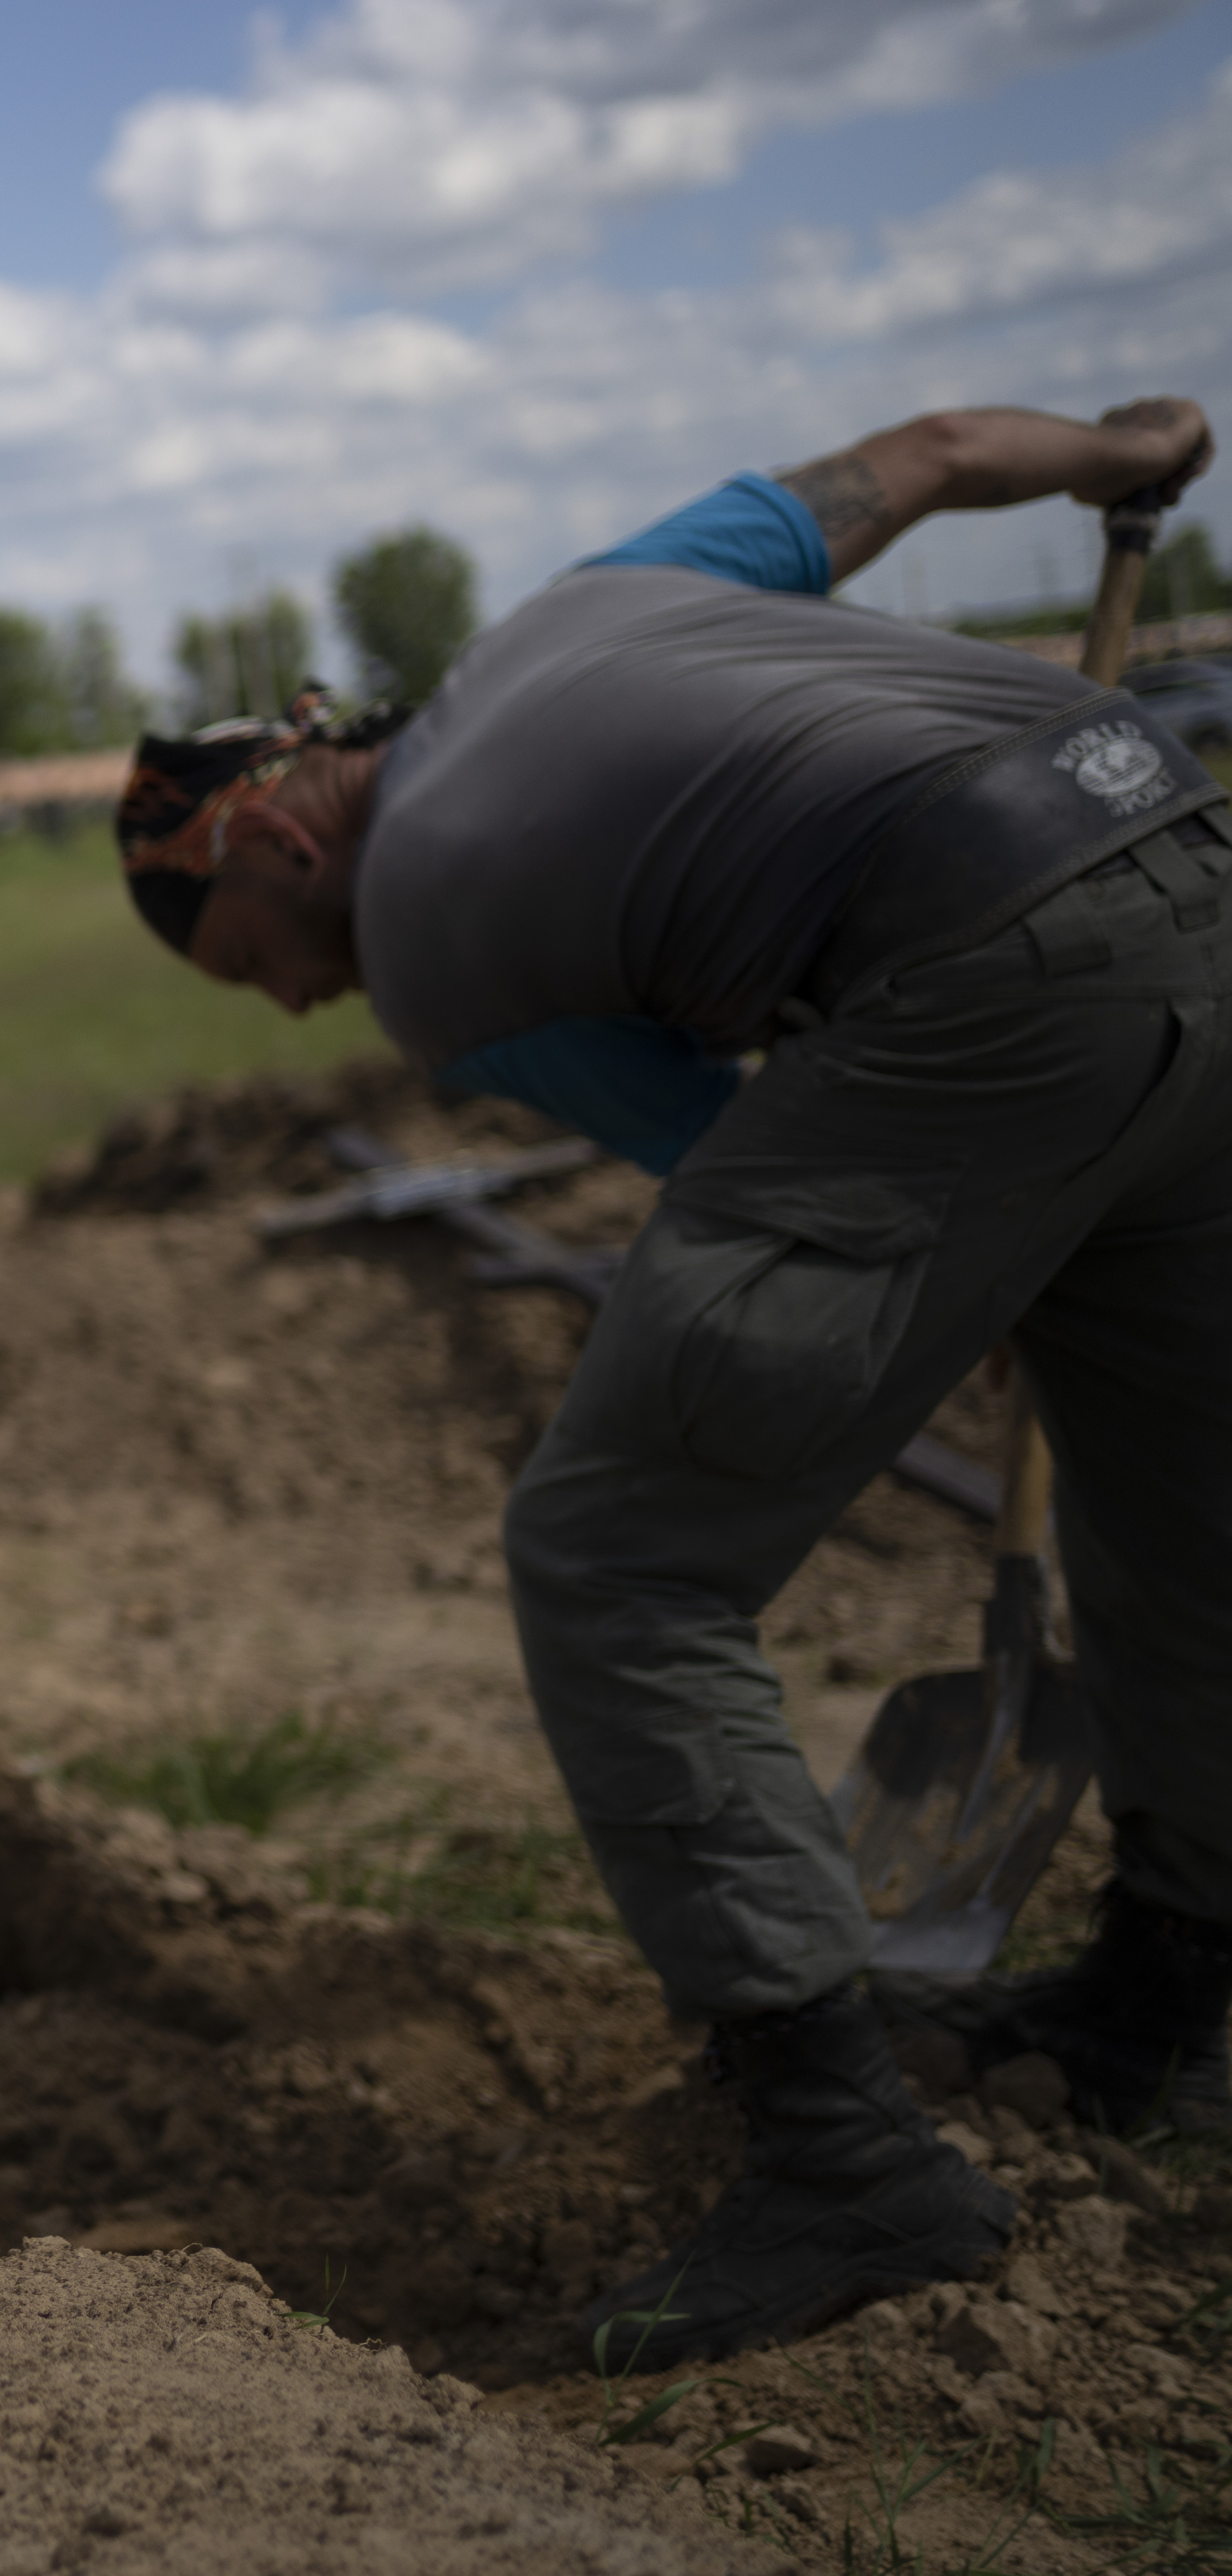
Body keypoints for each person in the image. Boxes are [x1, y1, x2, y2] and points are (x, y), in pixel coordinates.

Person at [115, 396, 1225, 2369]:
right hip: (1182, 851)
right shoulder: (584, 602)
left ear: (279, 830)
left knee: (611, 1555)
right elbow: (918, 458)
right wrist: (1101, 458)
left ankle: (832, 2157)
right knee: (1177, 1500)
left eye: (258, 958)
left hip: (975, 961)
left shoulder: (432, 943)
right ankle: (1171, 1988)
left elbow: (725, 1162)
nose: (298, 1004)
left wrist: (931, 1261)